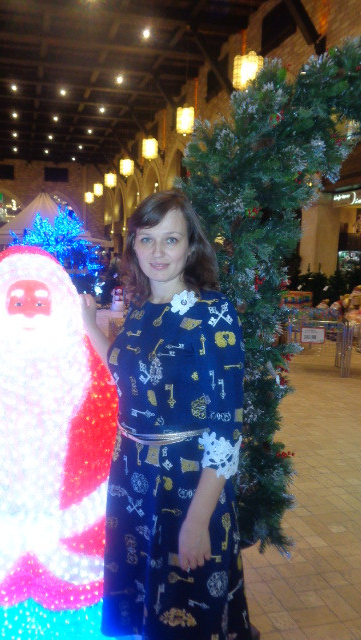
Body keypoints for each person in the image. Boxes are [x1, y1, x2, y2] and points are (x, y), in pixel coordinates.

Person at [81, 190, 251, 639]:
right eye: (147, 239)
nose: (158, 252)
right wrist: (88, 326)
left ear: (191, 246)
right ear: (133, 246)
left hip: (188, 486)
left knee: (187, 610)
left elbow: (227, 431)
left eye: (171, 239)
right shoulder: (141, 310)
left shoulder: (213, 314)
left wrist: (197, 521)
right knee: (144, 605)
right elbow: (124, 372)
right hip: (134, 474)